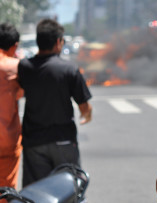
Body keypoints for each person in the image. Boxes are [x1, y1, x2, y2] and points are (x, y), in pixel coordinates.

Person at [0, 19, 93, 187]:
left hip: (34, 143)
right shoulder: (69, 69)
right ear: (58, 42)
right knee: (69, 190)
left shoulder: (24, 67)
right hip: (64, 140)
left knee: (36, 193)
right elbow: (84, 107)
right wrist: (87, 115)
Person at [0, 23, 23, 194]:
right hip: (6, 139)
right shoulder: (15, 67)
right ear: (14, 46)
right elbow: (21, 93)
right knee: (5, 192)